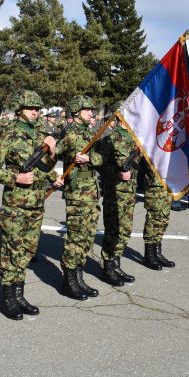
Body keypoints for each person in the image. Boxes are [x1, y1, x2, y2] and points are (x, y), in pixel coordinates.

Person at [0, 90, 62, 320]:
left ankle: (19, 294)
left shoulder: (41, 134)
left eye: (38, 108)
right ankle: (8, 298)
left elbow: (45, 166)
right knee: (12, 250)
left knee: (27, 250)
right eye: (31, 108)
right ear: (19, 110)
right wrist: (13, 177)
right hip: (16, 204)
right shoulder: (8, 135)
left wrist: (53, 157)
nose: (36, 112)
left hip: (37, 203)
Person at [55, 95, 107, 300]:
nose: (91, 114)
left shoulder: (91, 133)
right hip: (77, 193)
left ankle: (78, 276)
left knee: (87, 236)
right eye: (87, 110)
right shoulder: (69, 134)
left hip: (92, 190)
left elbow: (104, 157)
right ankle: (68, 281)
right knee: (76, 236)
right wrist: (54, 176)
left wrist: (89, 158)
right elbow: (50, 154)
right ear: (76, 112)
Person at [99, 117, 142, 284]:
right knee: (113, 231)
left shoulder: (135, 137)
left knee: (125, 230)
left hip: (130, 192)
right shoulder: (110, 137)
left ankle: (116, 264)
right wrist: (116, 173)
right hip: (115, 192)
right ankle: (108, 268)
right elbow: (101, 164)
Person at [142, 164, 176, 270]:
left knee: (163, 217)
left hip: (167, 180)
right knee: (153, 218)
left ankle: (157, 253)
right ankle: (149, 256)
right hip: (155, 180)